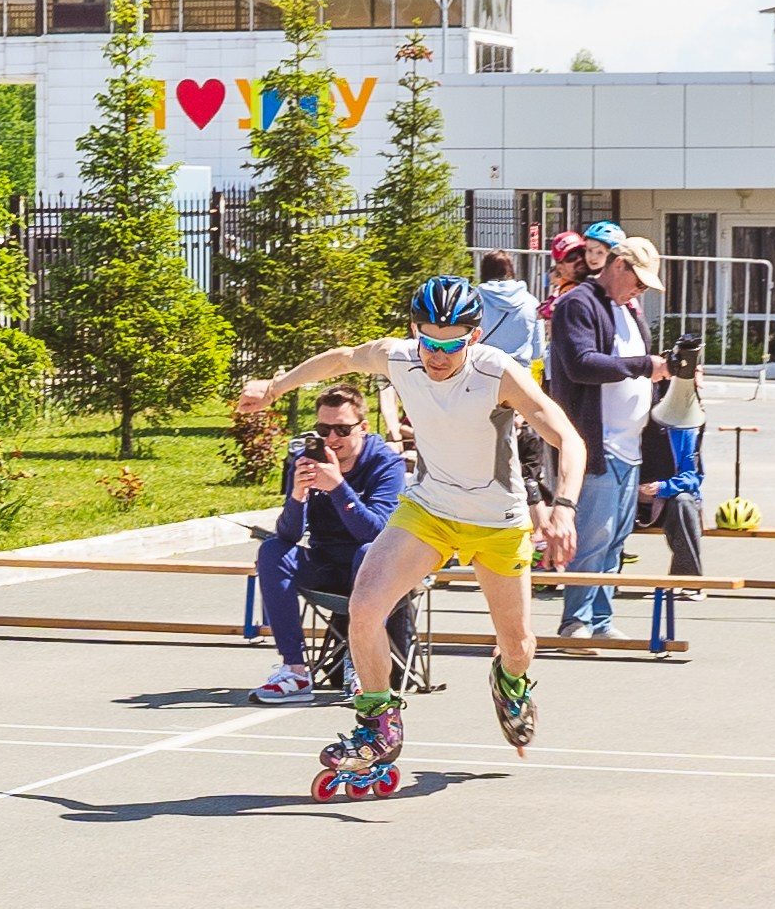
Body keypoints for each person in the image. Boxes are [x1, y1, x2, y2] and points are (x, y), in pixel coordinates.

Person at [237, 276, 587, 798]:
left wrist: (564, 508)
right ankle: (378, 723)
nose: (438, 355)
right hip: (429, 510)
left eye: (451, 344)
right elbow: (341, 358)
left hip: (497, 522)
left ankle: (510, 681)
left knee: (517, 645)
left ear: (472, 336)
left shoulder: (497, 372)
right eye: (429, 340)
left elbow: (567, 436)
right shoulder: (399, 357)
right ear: (413, 330)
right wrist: (276, 386)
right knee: (365, 606)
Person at [249, 384, 407, 704]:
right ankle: (295, 670)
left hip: (377, 567)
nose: (332, 438)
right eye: (324, 429)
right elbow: (289, 535)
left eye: (342, 429)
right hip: (325, 561)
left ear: (362, 427)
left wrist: (338, 488)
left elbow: (375, 532)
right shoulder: (307, 459)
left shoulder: (386, 465)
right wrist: (297, 496)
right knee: (272, 551)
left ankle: (362, 669)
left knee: (367, 553)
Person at [547, 236, 670, 639]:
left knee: (615, 538)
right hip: (595, 445)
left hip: (628, 446)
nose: (640, 291)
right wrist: (643, 365)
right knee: (593, 536)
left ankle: (600, 619)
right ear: (618, 265)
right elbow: (582, 364)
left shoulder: (625, 309)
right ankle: (576, 621)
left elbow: (631, 368)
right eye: (639, 281)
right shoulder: (577, 303)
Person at [638, 412, 705, 596]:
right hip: (634, 500)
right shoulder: (629, 427)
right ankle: (604, 580)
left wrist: (663, 487)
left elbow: (693, 476)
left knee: (683, 502)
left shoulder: (685, 428)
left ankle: (688, 580)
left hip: (669, 501)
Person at [476, 248, 541, 361]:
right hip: (519, 373)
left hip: (483, 370)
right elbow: (537, 351)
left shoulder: (475, 301)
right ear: (511, 270)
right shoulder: (531, 302)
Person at [536, 231, 588, 324]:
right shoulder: (568, 300)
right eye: (572, 257)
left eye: (582, 252)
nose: (579, 258)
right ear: (560, 268)